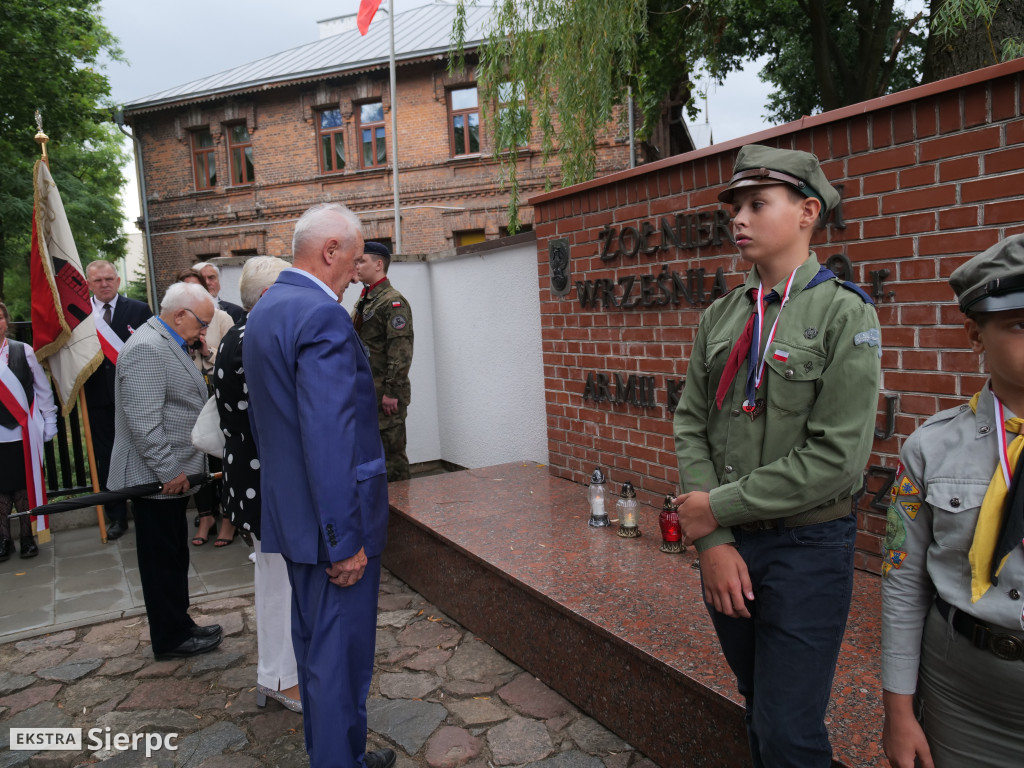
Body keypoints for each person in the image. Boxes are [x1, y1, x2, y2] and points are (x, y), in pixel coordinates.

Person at [672, 145, 882, 768]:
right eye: (734, 206)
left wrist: (715, 509)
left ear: (807, 212)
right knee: (759, 703)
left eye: (757, 204)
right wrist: (714, 542)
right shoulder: (722, 315)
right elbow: (691, 421)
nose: (738, 218)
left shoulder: (845, 312)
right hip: (730, 545)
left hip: (807, 550)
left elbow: (838, 461)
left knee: (790, 732)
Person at [244, 203, 394, 768]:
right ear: (330, 251)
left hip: (297, 519)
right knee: (339, 662)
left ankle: (338, 754)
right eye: (354, 260)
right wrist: (344, 538)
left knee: (317, 655)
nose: (358, 272)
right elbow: (329, 438)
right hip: (332, 527)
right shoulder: (322, 316)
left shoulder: (267, 309)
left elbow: (276, 427)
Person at [881, 234, 1024, 768]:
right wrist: (898, 711)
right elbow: (902, 584)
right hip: (962, 693)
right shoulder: (930, 448)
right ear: (975, 335)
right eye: (1020, 324)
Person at [107, 282, 222, 659]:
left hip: (169, 477)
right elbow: (144, 423)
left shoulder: (166, 341)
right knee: (161, 562)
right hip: (155, 477)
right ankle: (170, 638)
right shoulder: (148, 348)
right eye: (202, 323)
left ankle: (180, 624)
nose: (204, 330)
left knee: (173, 556)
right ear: (179, 315)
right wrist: (170, 470)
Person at [214, 255, 302, 712]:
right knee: (280, 582)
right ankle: (281, 679)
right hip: (268, 481)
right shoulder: (260, 337)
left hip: (250, 479)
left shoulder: (235, 335)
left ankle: (277, 673)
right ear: (268, 296)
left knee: (273, 578)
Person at [83, 260, 152, 540]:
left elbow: (150, 349)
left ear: (118, 280)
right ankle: (116, 516)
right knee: (107, 458)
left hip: (135, 395)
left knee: (140, 452)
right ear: (88, 284)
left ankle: (145, 507)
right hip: (98, 398)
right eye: (98, 280)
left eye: (109, 278)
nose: (104, 284)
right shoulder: (80, 316)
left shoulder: (138, 310)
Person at [176, 267, 235, 547]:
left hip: (217, 393)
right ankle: (205, 515)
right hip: (188, 395)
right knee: (196, 453)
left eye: (195, 289)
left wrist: (206, 351)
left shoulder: (221, 319)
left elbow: (232, 360)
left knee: (220, 453)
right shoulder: (174, 325)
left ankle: (228, 518)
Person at [351, 241, 414, 481]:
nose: (357, 266)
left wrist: (392, 391)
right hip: (367, 394)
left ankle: (401, 512)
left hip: (384, 396)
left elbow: (401, 351)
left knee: (393, 459)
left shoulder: (392, 302)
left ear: (379, 264)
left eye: (362, 261)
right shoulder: (365, 299)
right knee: (373, 458)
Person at [0, 302, 57, 560]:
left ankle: (27, 536)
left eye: (0, 317)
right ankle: (4, 539)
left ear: (6, 321)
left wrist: (50, 420)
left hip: (22, 431)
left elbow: (42, 390)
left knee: (24, 486)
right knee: (1, 489)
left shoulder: (23, 350)